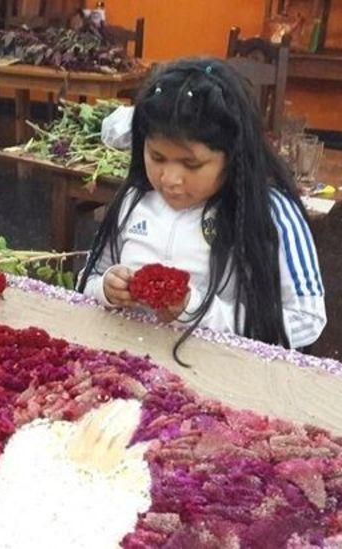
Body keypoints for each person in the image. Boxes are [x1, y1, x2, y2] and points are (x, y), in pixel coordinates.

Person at [78, 58, 326, 358]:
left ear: (233, 156)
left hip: (216, 370)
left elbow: (307, 320)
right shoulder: (134, 199)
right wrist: (106, 288)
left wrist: (198, 312)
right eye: (157, 158)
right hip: (126, 360)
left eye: (191, 164)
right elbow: (89, 277)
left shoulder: (270, 213)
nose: (170, 179)